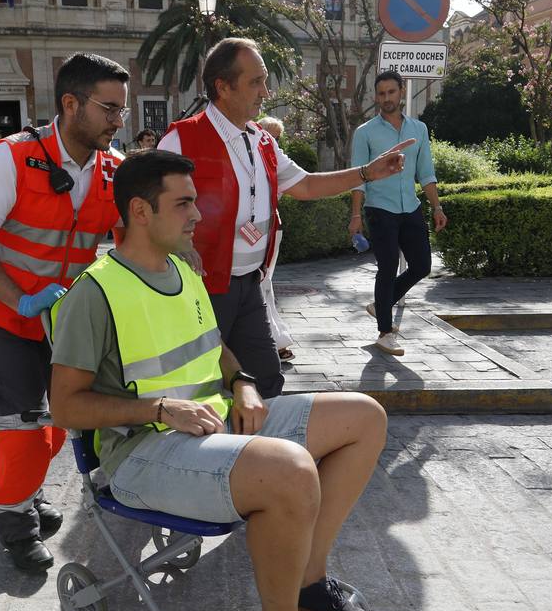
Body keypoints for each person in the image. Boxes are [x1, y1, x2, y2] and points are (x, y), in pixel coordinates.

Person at [49, 151, 391, 611]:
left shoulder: (181, 269)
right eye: (183, 203)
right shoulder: (95, 292)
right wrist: (160, 408)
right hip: (144, 454)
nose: (197, 214)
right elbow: (64, 406)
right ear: (139, 210)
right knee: (288, 470)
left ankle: (308, 583)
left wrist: (245, 384)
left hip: (216, 424)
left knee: (364, 416)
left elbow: (216, 349)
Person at [157, 37, 411, 397]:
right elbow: (150, 208)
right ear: (223, 87)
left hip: (250, 285)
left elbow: (305, 185)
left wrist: (368, 173)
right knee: (198, 387)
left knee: (267, 382)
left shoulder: (261, 140)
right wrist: (178, 244)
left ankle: (257, 448)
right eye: (256, 81)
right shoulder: (181, 140)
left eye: (264, 80)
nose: (266, 91)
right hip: (201, 288)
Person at [0, 52, 128, 572]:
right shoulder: (11, 158)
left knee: (59, 421)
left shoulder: (113, 172)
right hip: (5, 316)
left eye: (123, 109)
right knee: (23, 423)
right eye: (109, 108)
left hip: (66, 322)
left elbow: (130, 245)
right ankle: (13, 518)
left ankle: (24, 493)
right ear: (71, 104)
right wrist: (22, 301)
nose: (119, 121)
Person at [349, 70, 446, 356]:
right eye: (381, 94)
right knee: (388, 266)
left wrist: (437, 206)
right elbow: (358, 177)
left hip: (411, 207)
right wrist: (356, 215)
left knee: (422, 266)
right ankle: (384, 332)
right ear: (376, 96)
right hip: (380, 208)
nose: (386, 98)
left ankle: (382, 304)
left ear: (401, 93)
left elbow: (426, 173)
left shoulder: (419, 129)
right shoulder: (365, 132)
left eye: (391, 92)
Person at [254, 115, 296, 362]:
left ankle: (274, 342)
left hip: (267, 227)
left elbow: (300, 184)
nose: (275, 142)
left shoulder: (270, 159)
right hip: (259, 227)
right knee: (261, 285)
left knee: (262, 284)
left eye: (277, 138)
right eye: (272, 136)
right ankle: (273, 341)